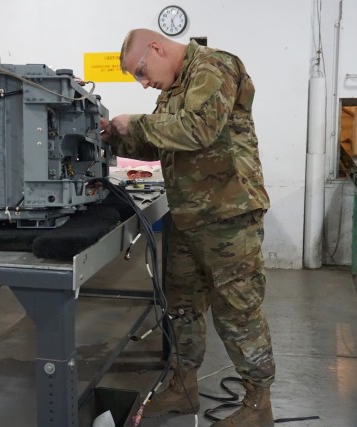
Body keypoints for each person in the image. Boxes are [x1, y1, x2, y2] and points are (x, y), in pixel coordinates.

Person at [99, 29, 275, 426]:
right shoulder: (175, 87)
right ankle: (182, 386)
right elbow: (159, 142)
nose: (143, 82)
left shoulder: (214, 66)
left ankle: (258, 404)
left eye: (141, 71)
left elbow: (197, 129)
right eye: (136, 78)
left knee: (238, 311)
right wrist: (112, 135)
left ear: (157, 48)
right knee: (181, 306)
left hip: (229, 217)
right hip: (188, 215)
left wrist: (137, 123)